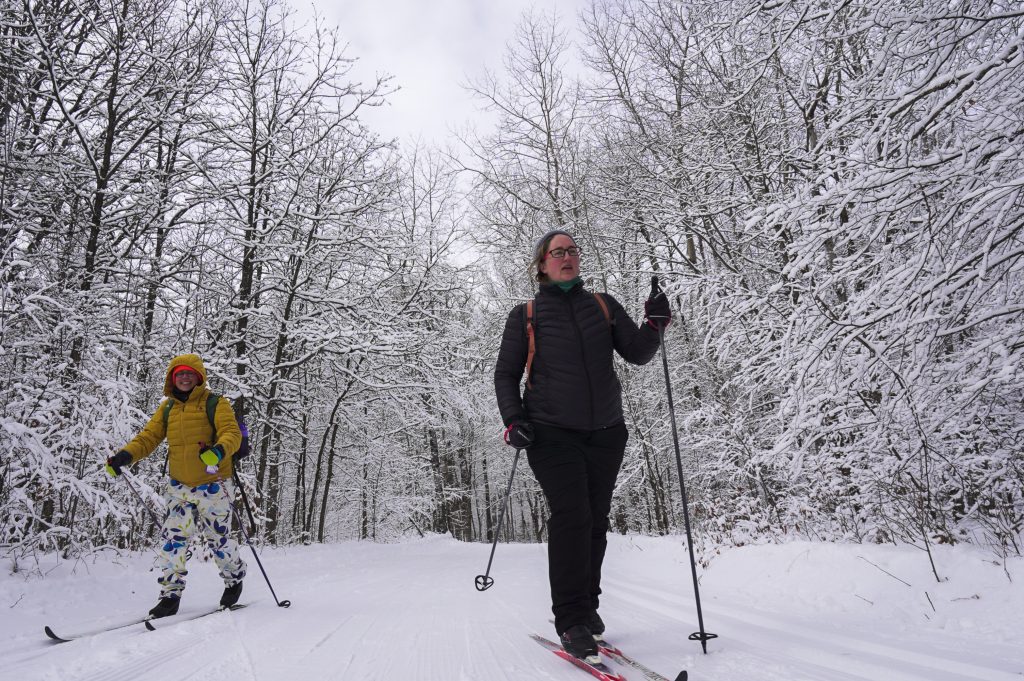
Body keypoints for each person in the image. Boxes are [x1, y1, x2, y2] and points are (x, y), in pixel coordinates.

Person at [493, 229, 671, 662]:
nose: (568, 257)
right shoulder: (526, 315)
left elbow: (636, 353)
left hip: (607, 432)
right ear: (542, 264)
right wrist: (513, 421)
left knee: (595, 519)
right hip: (550, 432)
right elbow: (505, 374)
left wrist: (654, 324)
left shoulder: (603, 305)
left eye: (573, 251)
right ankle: (571, 619)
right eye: (559, 252)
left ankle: (587, 607)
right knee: (572, 515)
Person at [105, 353, 247, 618]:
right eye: (179, 373)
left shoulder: (216, 403)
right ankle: (170, 595)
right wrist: (125, 456)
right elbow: (148, 437)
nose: (184, 378)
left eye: (189, 373)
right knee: (174, 541)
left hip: (213, 484)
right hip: (179, 486)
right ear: (172, 378)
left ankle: (233, 579)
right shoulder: (168, 408)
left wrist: (218, 451)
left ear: (198, 377)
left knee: (219, 540)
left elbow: (232, 433)